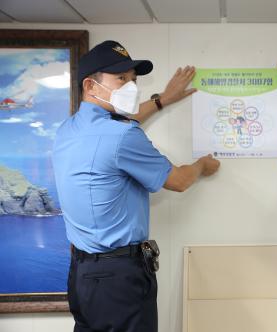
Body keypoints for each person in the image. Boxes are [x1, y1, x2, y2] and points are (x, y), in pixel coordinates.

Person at [52, 40, 220, 332]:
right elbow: (178, 181)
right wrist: (202, 165)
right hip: (119, 278)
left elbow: (116, 128)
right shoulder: (122, 137)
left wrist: (162, 100)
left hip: (82, 274)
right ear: (91, 86)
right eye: (121, 79)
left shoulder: (69, 130)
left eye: (133, 79)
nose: (130, 86)